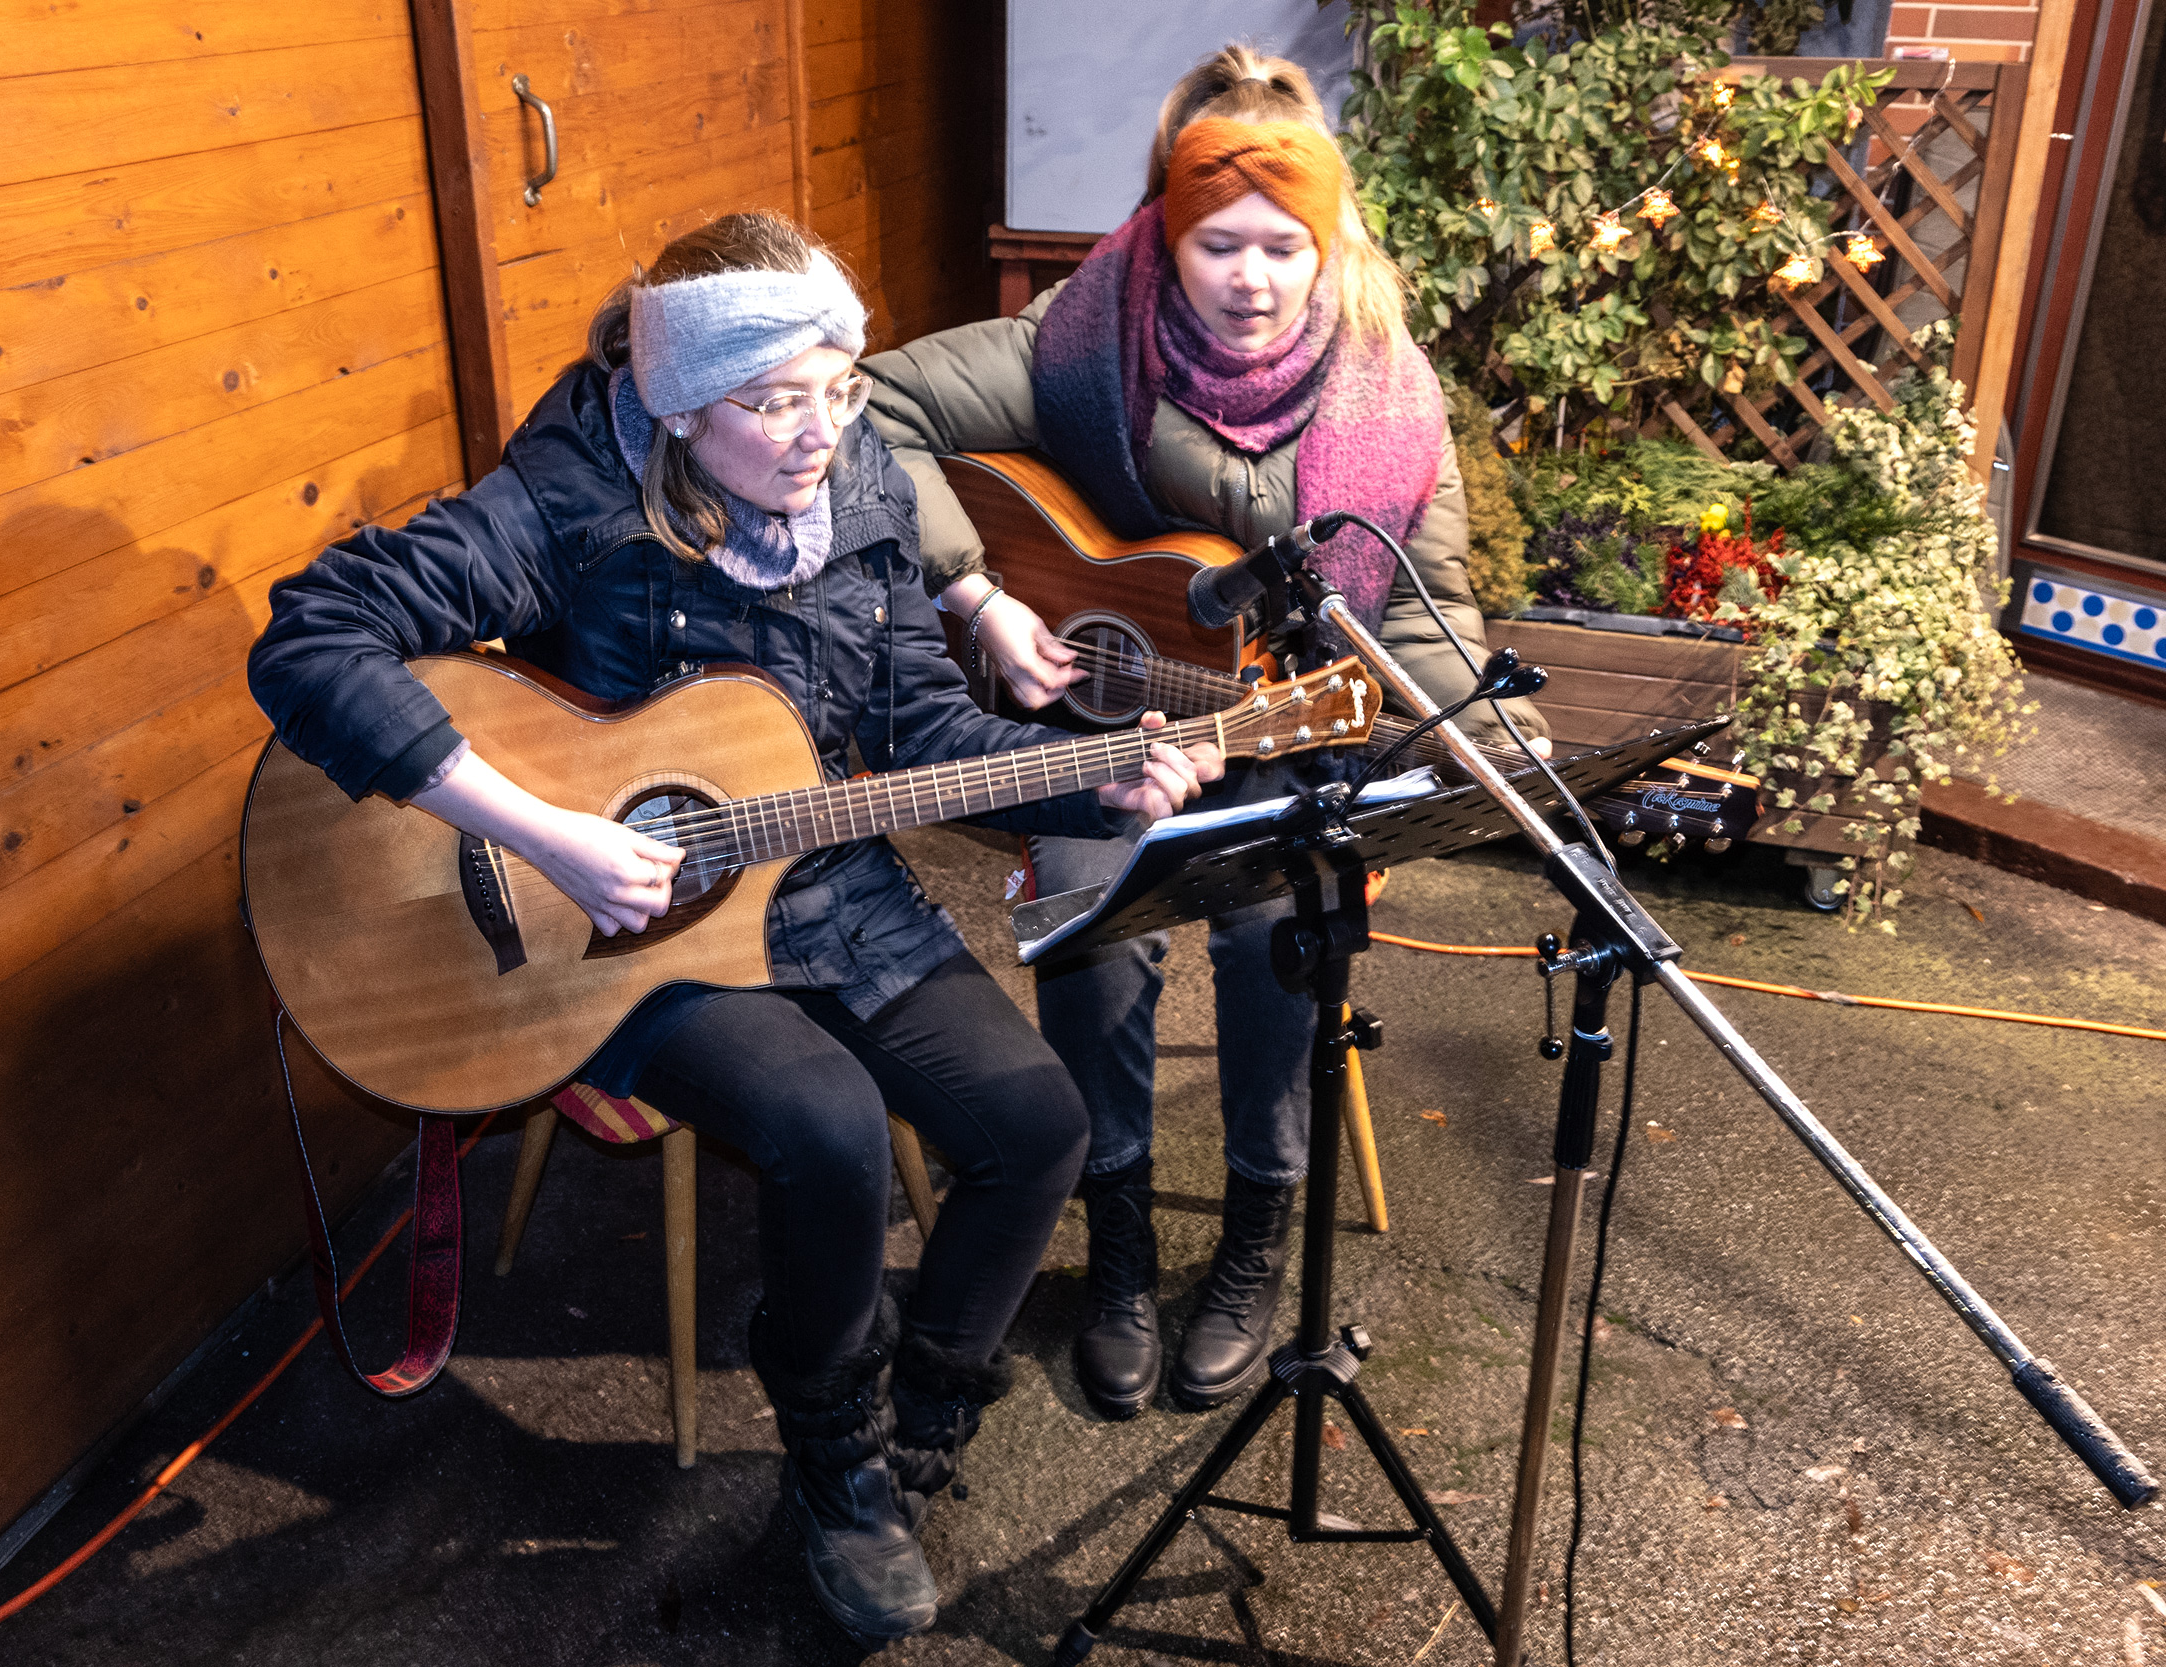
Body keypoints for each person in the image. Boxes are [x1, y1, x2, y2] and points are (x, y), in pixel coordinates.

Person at [246, 212, 1219, 1642]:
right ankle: (830, 1467)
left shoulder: (863, 469)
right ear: (679, 402)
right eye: (774, 404)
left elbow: (914, 723)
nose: (819, 430)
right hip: (619, 928)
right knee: (826, 1126)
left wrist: (1085, 772)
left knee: (1038, 1126)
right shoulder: (576, 487)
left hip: (823, 878)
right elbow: (310, 636)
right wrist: (543, 831)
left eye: (837, 385)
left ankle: (906, 1437)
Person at [862, 46, 1548, 1423]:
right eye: (1216, 243)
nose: (1249, 277)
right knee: (1089, 912)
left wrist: (1476, 733)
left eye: (1281, 247)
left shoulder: (1394, 403)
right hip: (1107, 733)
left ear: (1327, 245)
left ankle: (1255, 1231)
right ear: (1168, 240)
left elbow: (1430, 606)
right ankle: (1116, 1243)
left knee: (1270, 926)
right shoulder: (1081, 343)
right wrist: (984, 597)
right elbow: (871, 402)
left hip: (1292, 731)